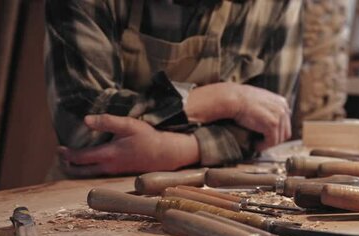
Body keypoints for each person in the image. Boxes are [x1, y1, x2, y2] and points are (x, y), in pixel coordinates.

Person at [44, 0, 302, 178]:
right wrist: (225, 100)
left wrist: (173, 151)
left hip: (215, 191)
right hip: (86, 193)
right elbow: (84, 126)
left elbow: (267, 126)